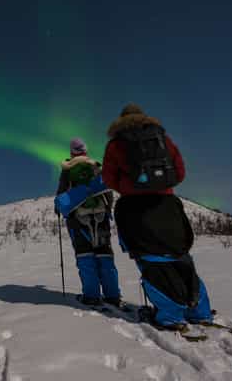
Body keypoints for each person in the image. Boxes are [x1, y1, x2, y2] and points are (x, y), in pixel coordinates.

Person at [102, 104, 212, 330]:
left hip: (135, 210)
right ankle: (199, 311)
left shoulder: (116, 144)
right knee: (181, 257)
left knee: (151, 260)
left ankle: (171, 315)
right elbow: (179, 173)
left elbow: (109, 179)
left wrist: (129, 187)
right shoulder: (163, 138)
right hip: (168, 206)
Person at [56, 137, 121, 307]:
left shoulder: (68, 170)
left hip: (78, 218)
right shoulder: (96, 167)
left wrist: (60, 209)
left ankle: (92, 296)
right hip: (101, 217)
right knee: (104, 254)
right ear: (86, 150)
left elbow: (62, 194)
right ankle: (113, 295)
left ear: (72, 152)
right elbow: (107, 192)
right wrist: (107, 210)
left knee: (85, 256)